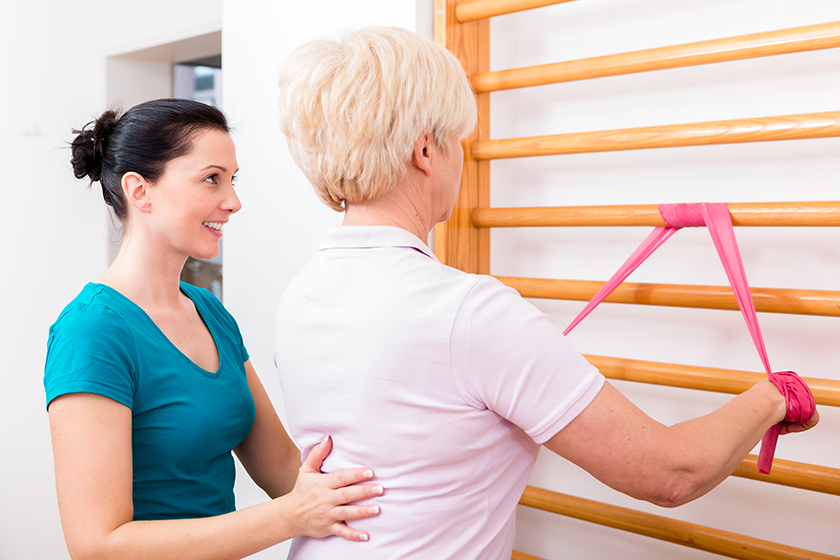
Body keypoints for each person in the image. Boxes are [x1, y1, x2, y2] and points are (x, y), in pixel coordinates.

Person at [273, 26, 819, 560]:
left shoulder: (303, 294)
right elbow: (669, 473)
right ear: (424, 151)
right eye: (456, 140)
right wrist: (774, 397)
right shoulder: (465, 312)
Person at [44, 98, 383, 560]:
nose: (234, 201)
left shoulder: (208, 310)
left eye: (232, 179)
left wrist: (375, 499)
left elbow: (283, 466)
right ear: (140, 192)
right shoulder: (92, 331)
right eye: (212, 179)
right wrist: (290, 517)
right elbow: (98, 545)